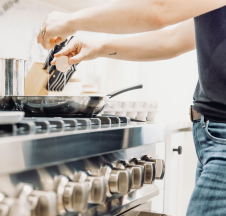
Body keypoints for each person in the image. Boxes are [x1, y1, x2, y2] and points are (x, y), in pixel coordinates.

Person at [37, 1, 226, 215]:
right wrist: (98, 48)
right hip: (210, 136)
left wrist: (70, 21)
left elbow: (161, 9)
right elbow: (173, 39)